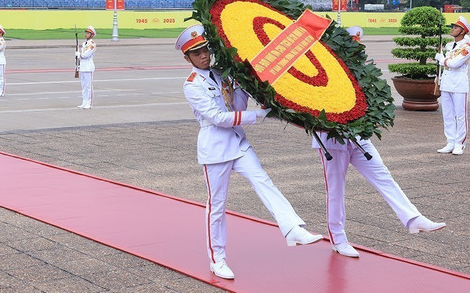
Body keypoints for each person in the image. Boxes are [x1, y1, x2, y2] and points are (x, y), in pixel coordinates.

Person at [176, 24, 322, 280]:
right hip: (215, 148)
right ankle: (217, 259)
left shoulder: (222, 74)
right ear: (187, 57)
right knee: (217, 206)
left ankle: (293, 228)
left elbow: (235, 105)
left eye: (205, 49)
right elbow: (218, 117)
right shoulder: (191, 85)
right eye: (197, 53)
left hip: (238, 142)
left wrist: (243, 86)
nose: (204, 55)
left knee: (264, 181)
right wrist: (259, 115)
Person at [313, 133, 446, 258]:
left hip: (359, 137)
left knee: (384, 177)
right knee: (335, 190)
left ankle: (413, 219)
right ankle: (338, 239)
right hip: (332, 142)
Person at [434, 15, 470, 155]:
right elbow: (447, 64)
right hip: (447, 82)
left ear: (462, 31)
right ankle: (450, 141)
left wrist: (442, 59)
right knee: (447, 114)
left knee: (460, 115)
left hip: (459, 84)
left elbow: (455, 64)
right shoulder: (449, 45)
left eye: (456, 27)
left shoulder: (466, 47)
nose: (453, 29)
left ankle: (459, 144)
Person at [76, 26, 96, 109]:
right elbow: (82, 56)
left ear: (91, 35)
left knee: (89, 86)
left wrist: (79, 55)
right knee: (83, 86)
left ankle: (89, 103)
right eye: (86, 33)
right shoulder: (84, 44)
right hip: (83, 67)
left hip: (88, 67)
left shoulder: (92, 44)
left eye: (88, 33)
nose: (86, 34)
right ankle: (84, 102)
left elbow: (85, 55)